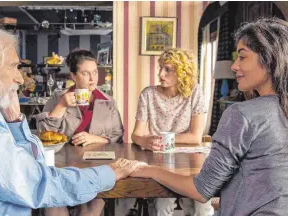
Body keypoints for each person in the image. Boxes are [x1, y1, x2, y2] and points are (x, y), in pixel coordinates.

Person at [0, 24, 146, 216]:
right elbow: (36, 183)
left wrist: (13, 121)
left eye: (95, 73)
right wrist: (109, 172)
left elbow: (28, 169)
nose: (20, 78)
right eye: (12, 66)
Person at [131, 17, 288, 216]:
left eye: (242, 57)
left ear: (268, 59)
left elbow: (201, 189)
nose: (233, 66)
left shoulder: (241, 114)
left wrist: (148, 170)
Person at [129, 48, 212, 216]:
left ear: (182, 72)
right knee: (161, 208)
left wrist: (165, 139)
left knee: (201, 207)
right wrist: (144, 141)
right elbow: (135, 135)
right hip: (160, 160)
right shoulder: (148, 94)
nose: (161, 74)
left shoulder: (195, 92)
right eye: (161, 68)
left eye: (168, 69)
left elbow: (195, 137)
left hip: (190, 161)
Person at [36, 49, 123, 146]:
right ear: (73, 76)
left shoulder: (109, 102)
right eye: (85, 73)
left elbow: (118, 136)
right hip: (65, 158)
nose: (92, 79)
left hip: (99, 157)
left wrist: (95, 139)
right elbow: (43, 135)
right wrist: (61, 106)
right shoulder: (58, 98)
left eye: (95, 72)